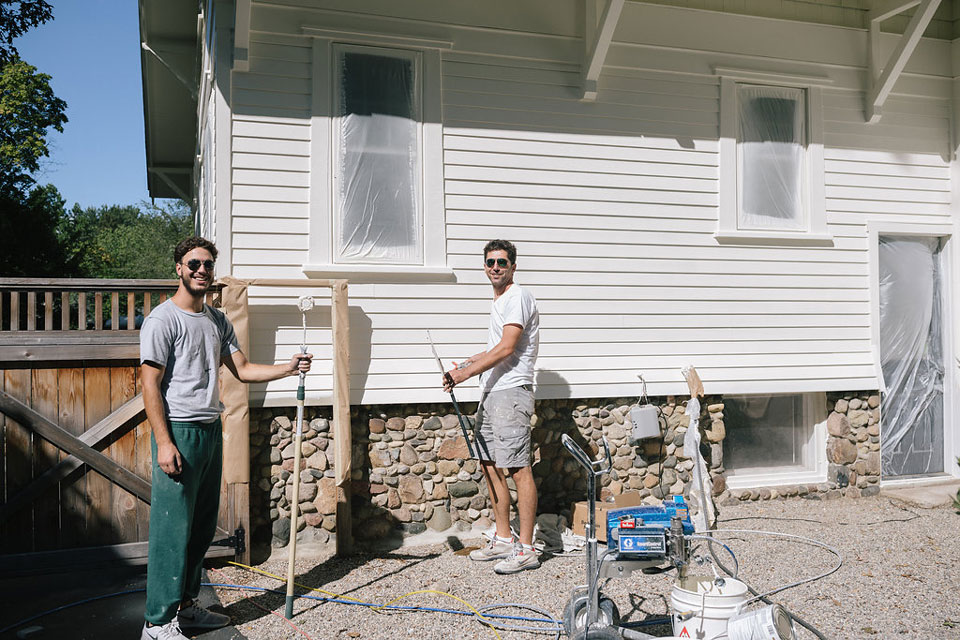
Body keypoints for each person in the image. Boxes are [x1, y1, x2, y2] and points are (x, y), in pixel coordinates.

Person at [140, 236, 312, 640]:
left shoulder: (217, 321)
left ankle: (185, 608)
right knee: (172, 531)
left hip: (209, 429)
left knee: (200, 528)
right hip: (178, 431)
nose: (201, 270)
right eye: (193, 264)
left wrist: (288, 369)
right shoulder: (162, 320)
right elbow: (150, 384)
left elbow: (244, 369)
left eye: (207, 265)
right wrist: (164, 443)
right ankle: (156, 623)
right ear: (179, 269)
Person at [443, 239, 540, 574]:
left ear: (513, 266)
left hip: (511, 394)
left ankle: (526, 549)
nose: (495, 267)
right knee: (488, 463)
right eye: (490, 263)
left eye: (501, 262)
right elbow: (496, 348)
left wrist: (465, 373)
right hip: (493, 392)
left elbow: (508, 347)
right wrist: (473, 360)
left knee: (517, 468)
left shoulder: (518, 297)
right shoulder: (500, 301)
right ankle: (503, 538)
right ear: (484, 267)